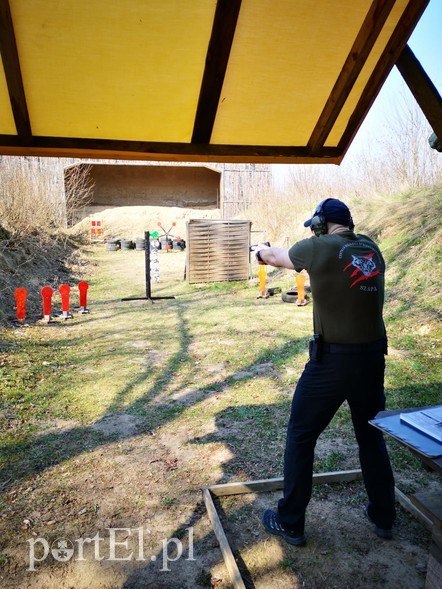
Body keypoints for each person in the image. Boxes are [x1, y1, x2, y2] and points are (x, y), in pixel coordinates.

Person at [252, 198, 396, 546]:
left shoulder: (318, 247)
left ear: (319, 222)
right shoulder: (372, 248)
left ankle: (291, 521)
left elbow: (274, 257)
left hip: (332, 361)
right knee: (370, 435)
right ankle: (384, 515)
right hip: (373, 357)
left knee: (301, 435)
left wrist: (259, 251)